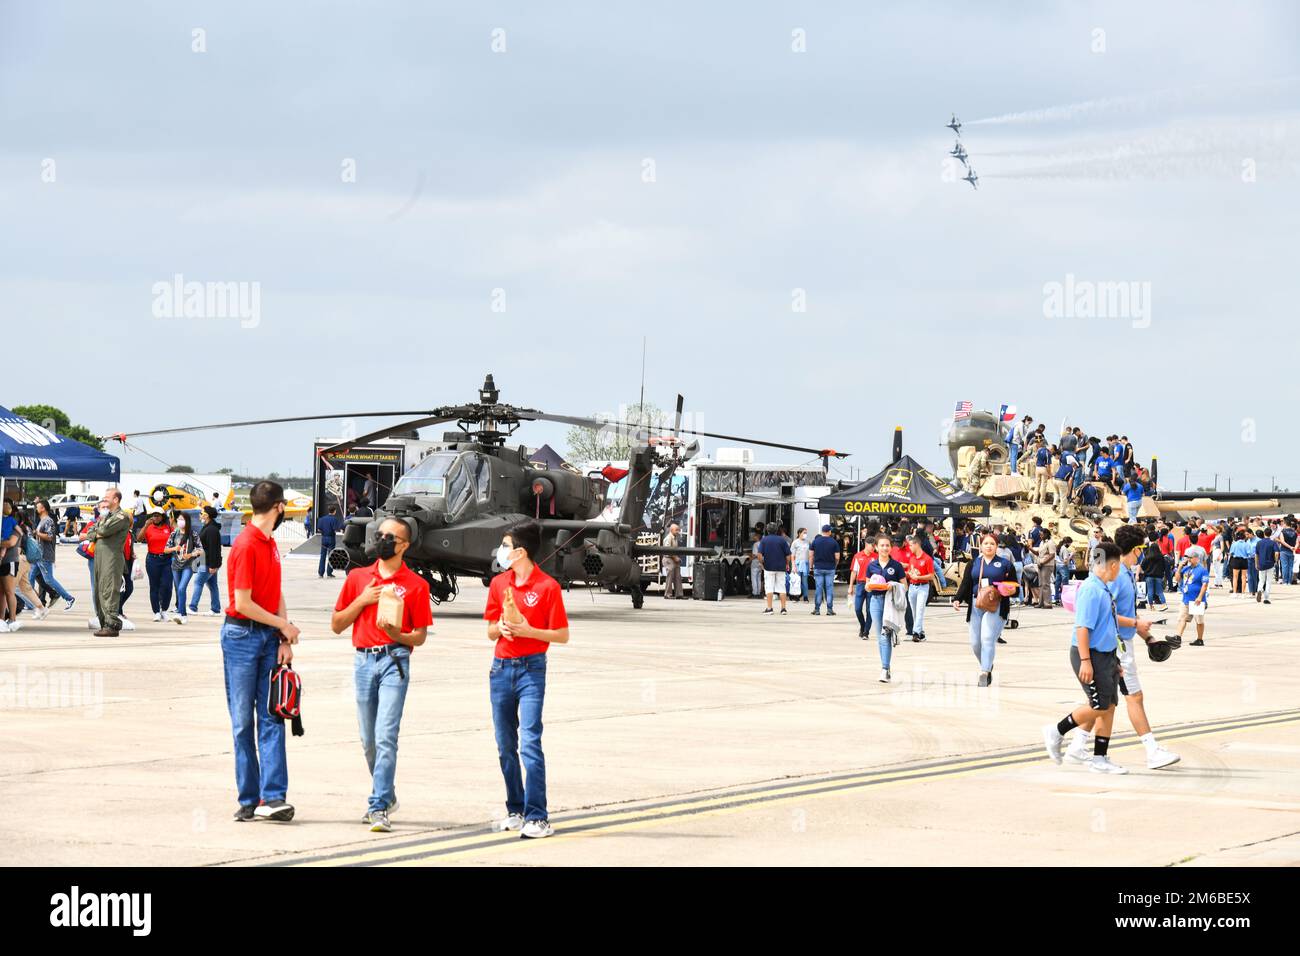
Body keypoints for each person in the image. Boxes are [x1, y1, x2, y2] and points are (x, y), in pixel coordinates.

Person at [331, 517, 431, 832]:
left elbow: (419, 636)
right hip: (363, 661)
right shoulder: (359, 578)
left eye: (390, 536)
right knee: (368, 740)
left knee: (387, 735)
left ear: (404, 545)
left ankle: (377, 808)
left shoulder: (416, 585)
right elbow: (336, 624)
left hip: (394, 660)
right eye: (380, 534)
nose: (382, 539)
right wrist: (362, 601)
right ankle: (387, 794)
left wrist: (396, 634)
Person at [1065, 526, 1179, 769]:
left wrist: (1147, 637)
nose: (1142, 554)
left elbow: (1124, 613)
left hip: (1120, 643)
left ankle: (1077, 745)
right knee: (1133, 697)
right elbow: (1110, 614)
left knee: (1103, 701)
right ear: (1133, 550)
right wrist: (1137, 624)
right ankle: (1151, 751)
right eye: (1141, 549)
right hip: (1117, 647)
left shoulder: (1124, 574)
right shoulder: (1114, 578)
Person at [483, 521, 569, 839]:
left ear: (521, 551)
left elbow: (561, 634)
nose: (502, 551)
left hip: (532, 670)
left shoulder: (547, 587)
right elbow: (490, 629)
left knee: (530, 743)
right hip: (501, 668)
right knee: (506, 745)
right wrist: (502, 628)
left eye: (506, 546)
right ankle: (515, 809)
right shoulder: (499, 585)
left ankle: (538, 815)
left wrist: (530, 631)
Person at [222, 481, 300, 823]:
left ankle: (273, 797)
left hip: (269, 638)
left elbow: (275, 592)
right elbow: (243, 603)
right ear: (280, 507)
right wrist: (282, 626)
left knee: (272, 717)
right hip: (241, 636)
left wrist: (283, 635)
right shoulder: (246, 544)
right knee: (242, 721)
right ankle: (249, 798)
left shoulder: (269, 544)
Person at [1041, 542, 1128, 774]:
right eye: (1118, 565)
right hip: (1090, 655)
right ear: (1111, 565)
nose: (1119, 570)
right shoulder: (1091, 589)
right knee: (1098, 706)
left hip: (1105, 654)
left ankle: (1100, 758)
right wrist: (1086, 661)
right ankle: (1057, 731)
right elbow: (1082, 628)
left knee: (1108, 707)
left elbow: (1106, 626)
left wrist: (1115, 661)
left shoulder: (1101, 587)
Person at [952, 532, 1018, 687]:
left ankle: (984, 672)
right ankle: (987, 664)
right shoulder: (974, 563)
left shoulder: (1005, 564)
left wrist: (1008, 589)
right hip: (976, 604)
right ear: (980, 546)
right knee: (975, 643)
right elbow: (966, 583)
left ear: (997, 547)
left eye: (992, 544)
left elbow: (1014, 585)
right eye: (986, 543)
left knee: (987, 638)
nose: (989, 546)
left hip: (996, 604)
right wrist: (957, 598)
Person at [79, 490, 130, 637]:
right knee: (99, 591)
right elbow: (95, 529)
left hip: (111, 559)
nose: (104, 500)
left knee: (109, 591)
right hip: (100, 557)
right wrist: (97, 533)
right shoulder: (107, 516)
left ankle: (112, 625)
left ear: (116, 499)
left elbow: (103, 530)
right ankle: (104, 624)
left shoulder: (121, 516)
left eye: (107, 498)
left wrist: (95, 533)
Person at [866, 534, 908, 682]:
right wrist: (869, 586)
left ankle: (885, 668)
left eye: (887, 545)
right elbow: (867, 586)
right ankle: (886, 667)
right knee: (881, 636)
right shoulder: (871, 565)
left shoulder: (896, 566)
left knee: (886, 635)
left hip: (890, 602)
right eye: (882, 545)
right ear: (876, 547)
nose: (885, 548)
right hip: (876, 602)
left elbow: (905, 586)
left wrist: (893, 585)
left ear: (891, 547)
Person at [28, 499, 75, 611]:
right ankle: (32, 603)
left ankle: (69, 598)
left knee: (49, 580)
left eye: (38, 506)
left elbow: (49, 537)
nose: (36, 508)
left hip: (45, 556)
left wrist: (37, 533)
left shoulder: (48, 521)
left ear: (43, 508)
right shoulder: (42, 520)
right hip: (38, 556)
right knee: (29, 578)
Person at [136, 510, 174, 621]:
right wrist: (146, 524)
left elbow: (178, 537)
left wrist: (173, 522)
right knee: (154, 586)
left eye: (158, 515)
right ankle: (156, 611)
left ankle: (164, 610)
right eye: (153, 516)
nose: (155, 518)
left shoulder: (168, 527)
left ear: (162, 517)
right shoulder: (149, 527)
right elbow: (138, 539)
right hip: (153, 559)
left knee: (167, 586)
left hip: (167, 559)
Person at [166, 512, 201, 624]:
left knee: (181, 588)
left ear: (187, 521)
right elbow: (165, 549)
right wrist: (174, 548)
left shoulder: (193, 534)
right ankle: (180, 612)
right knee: (178, 589)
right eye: (179, 519)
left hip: (188, 565)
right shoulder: (174, 533)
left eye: (183, 519)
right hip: (175, 565)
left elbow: (200, 549)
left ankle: (182, 615)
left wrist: (191, 555)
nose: (180, 521)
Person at [189, 506, 224, 615]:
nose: (200, 515)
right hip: (207, 561)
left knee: (198, 582)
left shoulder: (211, 530)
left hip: (208, 562)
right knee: (213, 586)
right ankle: (215, 609)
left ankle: (193, 607)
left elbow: (214, 549)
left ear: (207, 515)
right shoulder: (208, 527)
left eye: (201, 513)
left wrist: (213, 566)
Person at [1174, 548, 1209, 647]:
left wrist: (1200, 597)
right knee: (1182, 618)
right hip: (1186, 598)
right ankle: (1178, 637)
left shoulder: (1202, 570)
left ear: (1196, 558)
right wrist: (1180, 567)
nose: (1188, 560)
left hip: (1196, 600)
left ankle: (1199, 639)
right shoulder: (1186, 569)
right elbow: (1177, 579)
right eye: (1187, 558)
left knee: (1199, 621)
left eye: (1190, 558)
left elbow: (1204, 585)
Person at [905, 534, 936, 642]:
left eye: (910, 545)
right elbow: (910, 571)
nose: (909, 548)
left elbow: (931, 575)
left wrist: (919, 577)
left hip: (923, 586)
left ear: (916, 545)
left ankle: (916, 632)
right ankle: (921, 632)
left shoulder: (927, 559)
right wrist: (908, 573)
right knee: (914, 611)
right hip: (912, 587)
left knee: (920, 609)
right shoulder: (912, 558)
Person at [757, 522, 792, 615]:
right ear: (777, 530)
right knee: (782, 588)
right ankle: (783, 609)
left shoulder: (764, 540)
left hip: (769, 567)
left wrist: (762, 563)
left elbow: (759, 555)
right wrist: (787, 563)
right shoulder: (782, 540)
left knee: (769, 587)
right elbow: (788, 555)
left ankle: (769, 608)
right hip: (781, 567)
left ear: (767, 530)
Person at [809, 524, 840, 616]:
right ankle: (829, 610)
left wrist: (811, 567)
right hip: (830, 568)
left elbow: (811, 556)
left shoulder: (815, 542)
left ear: (822, 531)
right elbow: (837, 557)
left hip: (818, 568)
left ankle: (817, 609)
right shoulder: (834, 542)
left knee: (818, 588)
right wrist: (835, 565)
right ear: (830, 532)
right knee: (829, 588)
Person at [847, 536, 874, 640]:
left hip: (872, 585)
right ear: (866, 545)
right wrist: (850, 586)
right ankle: (862, 625)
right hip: (860, 584)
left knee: (869, 610)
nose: (873, 548)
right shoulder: (858, 556)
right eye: (872, 546)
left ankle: (866, 632)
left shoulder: (876, 556)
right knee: (858, 609)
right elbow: (854, 572)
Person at [1140, 531, 1169, 611]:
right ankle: (1164, 604)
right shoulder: (1161, 557)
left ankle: (1151, 606)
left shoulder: (1148, 557)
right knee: (1160, 591)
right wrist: (1162, 573)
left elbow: (1143, 565)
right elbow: (1164, 566)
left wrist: (1145, 571)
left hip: (1149, 576)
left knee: (1150, 591)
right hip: (1158, 576)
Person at [1253, 528, 1279, 605]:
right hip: (1270, 564)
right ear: (1270, 534)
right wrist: (1276, 560)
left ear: (1264, 533)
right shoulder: (1273, 543)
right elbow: (1277, 553)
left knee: (1261, 580)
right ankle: (1266, 598)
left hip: (1261, 563)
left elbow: (1256, 555)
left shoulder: (1259, 543)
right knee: (1268, 581)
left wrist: (1256, 564)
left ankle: (1259, 590)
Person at [317, 504, 342, 578]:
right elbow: (336, 529)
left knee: (322, 556)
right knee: (331, 556)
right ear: (334, 511)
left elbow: (319, 529)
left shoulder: (322, 519)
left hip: (324, 538)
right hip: (331, 538)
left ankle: (321, 573)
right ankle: (329, 573)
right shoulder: (334, 519)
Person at [661, 522, 684, 599]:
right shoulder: (668, 538)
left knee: (678, 576)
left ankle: (679, 594)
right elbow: (668, 550)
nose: (678, 531)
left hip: (673, 558)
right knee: (670, 576)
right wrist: (675, 558)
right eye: (676, 530)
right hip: (668, 559)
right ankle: (667, 594)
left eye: (678, 530)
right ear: (671, 530)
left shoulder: (675, 537)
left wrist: (676, 558)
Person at [1053, 448, 1078, 515]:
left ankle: (1054, 504)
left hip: (1055, 480)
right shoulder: (1072, 469)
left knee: (1056, 493)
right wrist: (1069, 491)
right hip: (1061, 481)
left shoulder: (1063, 465)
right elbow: (1070, 481)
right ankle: (1062, 513)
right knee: (1063, 498)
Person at [1034, 528, 1056, 608]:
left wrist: (1043, 562)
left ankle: (1047, 603)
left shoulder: (1050, 543)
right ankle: (1041, 602)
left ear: (1046, 534)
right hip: (1041, 564)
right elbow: (1038, 553)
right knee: (1041, 584)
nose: (1040, 536)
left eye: (1041, 534)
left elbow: (1052, 555)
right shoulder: (1041, 543)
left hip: (1047, 565)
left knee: (1045, 584)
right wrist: (1029, 548)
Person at [791, 528, 811, 603]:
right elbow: (792, 555)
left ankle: (805, 597)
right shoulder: (795, 542)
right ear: (799, 533)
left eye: (806, 533)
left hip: (805, 564)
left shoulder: (808, 542)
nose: (805, 534)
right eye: (804, 532)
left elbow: (811, 553)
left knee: (805, 581)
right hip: (798, 564)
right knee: (797, 581)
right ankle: (796, 596)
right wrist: (793, 565)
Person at [748, 531, 763, 599]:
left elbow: (755, 555)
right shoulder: (762, 544)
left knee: (754, 578)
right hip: (761, 562)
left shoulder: (755, 544)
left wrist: (750, 560)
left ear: (757, 537)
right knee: (758, 578)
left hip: (755, 563)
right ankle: (759, 592)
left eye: (754, 536)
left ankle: (754, 593)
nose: (753, 537)